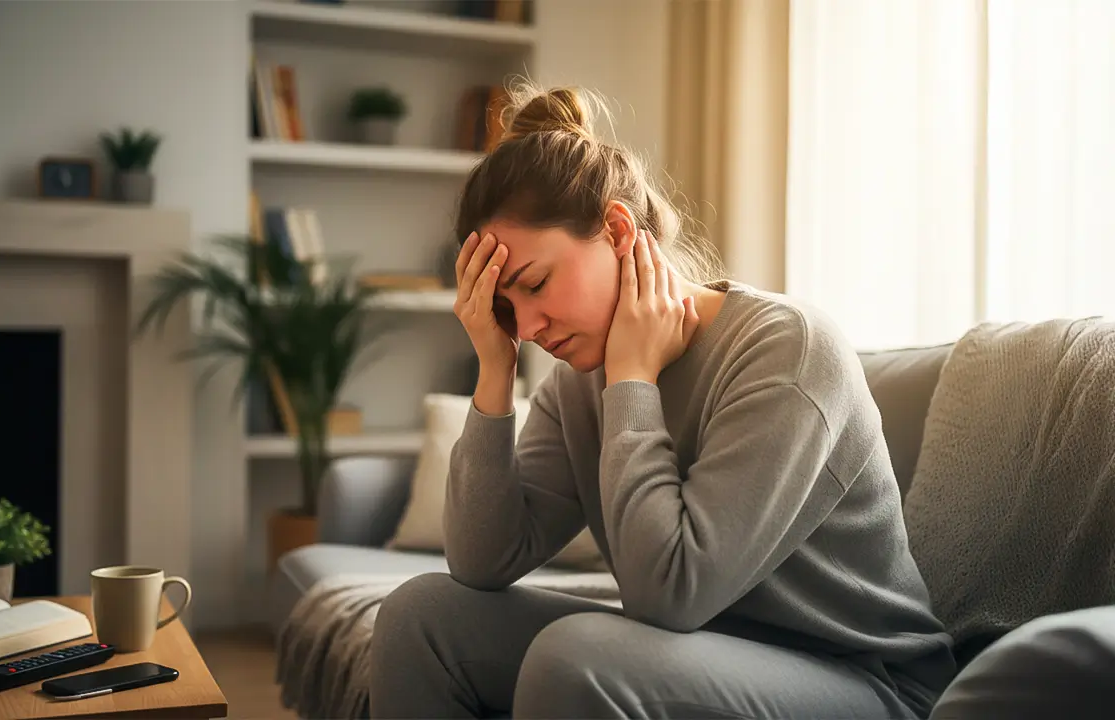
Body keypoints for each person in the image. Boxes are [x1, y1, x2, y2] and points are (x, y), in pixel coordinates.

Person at [368, 82, 957, 719]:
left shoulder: (785, 352)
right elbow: (483, 562)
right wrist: (493, 371)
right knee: (420, 617)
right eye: (509, 306)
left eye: (536, 283)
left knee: (574, 655)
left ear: (618, 230)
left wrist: (632, 381)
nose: (531, 325)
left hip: (862, 680)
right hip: (701, 652)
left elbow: (669, 593)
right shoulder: (576, 381)